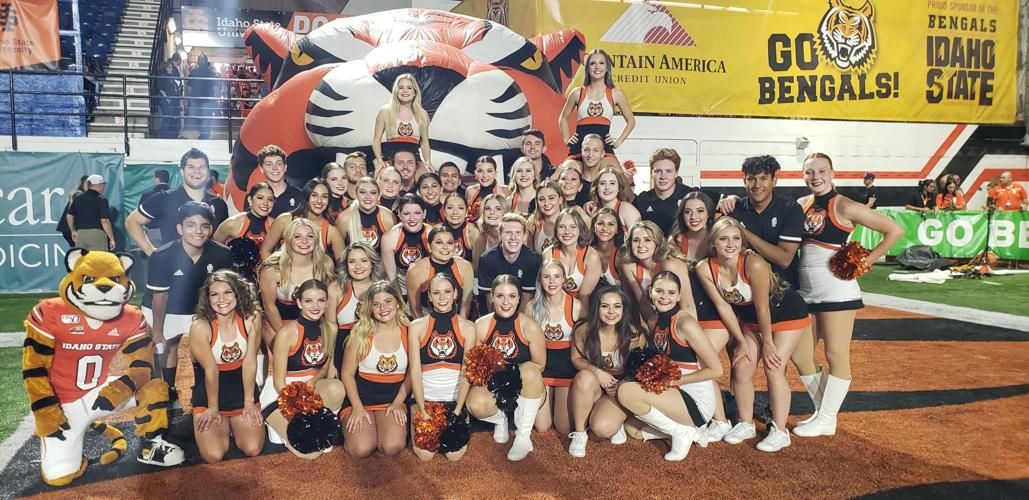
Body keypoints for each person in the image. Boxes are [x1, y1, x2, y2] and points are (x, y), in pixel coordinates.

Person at [792, 153, 904, 439]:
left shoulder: (844, 204)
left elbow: (894, 229)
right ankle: (823, 413)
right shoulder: (801, 205)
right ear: (802, 175)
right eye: (809, 172)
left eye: (821, 171)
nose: (815, 177)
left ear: (832, 173)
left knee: (835, 353)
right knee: (801, 354)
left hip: (836, 289)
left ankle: (827, 418)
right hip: (806, 291)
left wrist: (869, 260)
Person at [695, 218, 811, 452]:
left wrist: (767, 343)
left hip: (785, 313)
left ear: (743, 241)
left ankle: (780, 431)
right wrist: (741, 341)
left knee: (773, 366)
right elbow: (723, 306)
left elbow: (763, 307)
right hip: (752, 321)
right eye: (723, 239)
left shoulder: (754, 263)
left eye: (736, 238)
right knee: (742, 365)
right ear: (713, 242)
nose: (730, 244)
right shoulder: (705, 267)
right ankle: (746, 424)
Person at [617, 271, 723, 461]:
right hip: (674, 392)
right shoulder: (655, 321)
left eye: (671, 293)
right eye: (659, 291)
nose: (665, 297)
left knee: (626, 393)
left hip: (694, 399)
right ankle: (688, 431)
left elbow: (716, 369)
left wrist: (678, 380)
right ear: (651, 293)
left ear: (679, 296)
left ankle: (682, 432)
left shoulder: (685, 323)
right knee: (632, 429)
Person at [144, 202, 233, 405]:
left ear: (211, 229)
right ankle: (168, 388)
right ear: (179, 228)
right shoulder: (162, 255)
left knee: (203, 345)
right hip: (166, 309)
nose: (198, 231)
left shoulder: (223, 254)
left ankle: (200, 387)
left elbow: (223, 292)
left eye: (204, 226)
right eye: (191, 225)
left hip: (199, 308)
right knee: (167, 345)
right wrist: (158, 331)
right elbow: (160, 298)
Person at [667, 190, 733, 440]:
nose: (693, 216)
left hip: (717, 314)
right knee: (689, 363)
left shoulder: (719, 237)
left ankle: (720, 420)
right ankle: (703, 418)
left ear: (709, 213)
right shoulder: (675, 241)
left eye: (699, 211)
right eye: (688, 211)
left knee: (701, 364)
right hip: (688, 314)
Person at [260, 279, 346, 458]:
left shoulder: (331, 329)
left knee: (336, 388)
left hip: (312, 388)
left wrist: (313, 386)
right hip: (282, 394)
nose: (315, 306)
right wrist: (299, 408)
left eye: (321, 300)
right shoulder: (286, 333)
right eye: (308, 301)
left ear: (327, 302)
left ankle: (324, 424)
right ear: (299, 302)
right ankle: (276, 424)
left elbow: (327, 368)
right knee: (311, 453)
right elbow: (278, 382)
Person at [466, 275, 548, 461]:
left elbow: (540, 365)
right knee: (475, 403)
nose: (506, 302)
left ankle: (523, 437)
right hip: (495, 386)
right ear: (492, 297)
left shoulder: (530, 326)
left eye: (512, 296)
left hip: (525, 386)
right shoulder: (481, 326)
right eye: (500, 296)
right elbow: (475, 364)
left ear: (519, 298)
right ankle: (500, 418)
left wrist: (512, 378)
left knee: (530, 370)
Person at [189, 270, 264, 464]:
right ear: (208, 299)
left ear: (237, 293)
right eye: (214, 294)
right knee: (214, 455)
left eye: (228, 292)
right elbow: (211, 371)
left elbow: (249, 361)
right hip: (210, 393)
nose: (221, 299)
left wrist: (249, 402)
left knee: (253, 448)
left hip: (242, 390)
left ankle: (235, 425)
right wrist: (213, 409)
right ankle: (221, 425)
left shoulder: (251, 318)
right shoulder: (200, 326)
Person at [567, 285, 647, 457]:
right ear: (597, 308)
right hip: (594, 384)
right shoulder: (584, 329)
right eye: (605, 306)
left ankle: (615, 419)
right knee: (583, 377)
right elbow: (576, 359)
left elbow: (640, 370)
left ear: (624, 309)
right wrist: (597, 372)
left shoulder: (635, 335)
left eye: (617, 306)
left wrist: (622, 386)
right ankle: (580, 434)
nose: (611, 312)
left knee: (601, 429)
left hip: (619, 389)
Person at [407, 274, 477, 461]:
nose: (442, 297)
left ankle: (463, 415)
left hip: (454, 402)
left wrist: (457, 410)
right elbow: (414, 370)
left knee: (454, 455)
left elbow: (466, 371)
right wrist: (422, 410)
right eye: (436, 293)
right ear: (429, 296)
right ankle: (414, 411)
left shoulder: (468, 328)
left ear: (455, 294)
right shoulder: (416, 327)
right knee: (425, 455)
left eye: (447, 292)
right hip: (426, 400)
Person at [339, 281, 411, 458]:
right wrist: (357, 407)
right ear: (369, 308)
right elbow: (347, 374)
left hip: (392, 399)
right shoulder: (359, 334)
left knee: (392, 447)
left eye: (388, 301)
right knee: (362, 449)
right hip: (361, 400)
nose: (383, 308)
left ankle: (381, 425)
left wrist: (398, 402)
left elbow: (412, 373)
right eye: (376, 304)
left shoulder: (410, 331)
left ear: (398, 303)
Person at [716, 155, 805, 287]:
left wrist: (742, 231)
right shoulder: (733, 209)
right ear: (744, 181)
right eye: (751, 179)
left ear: (774, 181)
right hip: (744, 290)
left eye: (764, 178)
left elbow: (784, 259)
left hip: (784, 287)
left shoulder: (790, 209)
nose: (757, 185)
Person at [127, 148, 228, 255]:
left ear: (208, 172)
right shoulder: (165, 198)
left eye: (202, 167)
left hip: (209, 268)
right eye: (191, 167)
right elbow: (132, 221)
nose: (197, 171)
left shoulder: (219, 204)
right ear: (182, 172)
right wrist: (152, 254)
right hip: (172, 268)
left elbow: (223, 238)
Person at [258, 219, 340, 349]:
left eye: (310, 236)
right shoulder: (272, 268)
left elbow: (327, 303)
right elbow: (269, 306)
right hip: (277, 324)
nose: (304, 241)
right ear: (288, 240)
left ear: (316, 240)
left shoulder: (325, 264)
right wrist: (285, 336)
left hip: (314, 323)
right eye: (298, 237)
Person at [527, 259, 582, 436]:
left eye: (557, 276)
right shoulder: (531, 307)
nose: (552, 282)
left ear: (564, 279)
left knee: (564, 428)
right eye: (547, 277)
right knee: (542, 426)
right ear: (540, 280)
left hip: (566, 368)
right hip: (542, 367)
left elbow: (583, 344)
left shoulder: (576, 306)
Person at [558, 48, 635, 157]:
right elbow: (563, 118)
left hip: (604, 147)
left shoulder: (616, 94)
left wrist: (617, 142)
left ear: (607, 67)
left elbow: (631, 121)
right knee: (567, 172)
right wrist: (567, 139)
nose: (597, 66)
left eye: (601, 63)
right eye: (593, 63)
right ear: (587, 68)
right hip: (579, 148)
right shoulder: (577, 93)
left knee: (615, 172)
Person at [619, 221, 697, 323]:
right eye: (636, 240)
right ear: (629, 244)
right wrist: (655, 332)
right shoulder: (629, 266)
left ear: (657, 243)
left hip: (697, 311)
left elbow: (688, 305)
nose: (641, 245)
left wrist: (691, 335)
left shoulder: (670, 265)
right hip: (668, 316)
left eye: (647, 240)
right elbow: (644, 305)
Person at [260, 179, 345, 262]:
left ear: (328, 201)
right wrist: (273, 273)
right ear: (307, 197)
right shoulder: (284, 221)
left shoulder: (331, 231)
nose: (319, 201)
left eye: (324, 197)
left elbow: (342, 265)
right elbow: (265, 251)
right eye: (314, 195)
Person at [333, 242, 385, 373]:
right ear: (346, 265)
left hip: (375, 352)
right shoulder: (336, 289)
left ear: (372, 263)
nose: (358, 267)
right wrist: (331, 365)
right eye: (352, 262)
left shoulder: (384, 289)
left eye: (364, 261)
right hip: (342, 351)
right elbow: (330, 329)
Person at [407, 226, 475, 317]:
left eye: (449, 243)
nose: (445, 247)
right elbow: (415, 310)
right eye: (439, 243)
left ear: (455, 247)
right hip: (425, 317)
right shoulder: (416, 271)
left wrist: (460, 328)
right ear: (429, 247)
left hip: (457, 316)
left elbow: (465, 305)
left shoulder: (465, 266)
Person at [633, 148, 703, 235]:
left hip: (682, 248)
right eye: (658, 171)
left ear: (676, 173)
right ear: (651, 173)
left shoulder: (691, 195)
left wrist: (725, 201)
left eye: (668, 171)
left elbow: (721, 201)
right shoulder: (642, 199)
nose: (663, 176)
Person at [477, 214, 542, 308]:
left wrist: (516, 323)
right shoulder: (487, 259)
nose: (513, 237)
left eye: (518, 233)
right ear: (500, 235)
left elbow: (527, 301)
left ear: (524, 236)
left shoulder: (533, 260)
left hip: (522, 314)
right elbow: (490, 302)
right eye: (508, 232)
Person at [372, 74, 432, 171]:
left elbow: (425, 142)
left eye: (409, 88)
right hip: (390, 158)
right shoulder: (385, 111)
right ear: (396, 91)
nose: (405, 91)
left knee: (426, 177)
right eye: (401, 88)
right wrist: (379, 160)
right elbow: (376, 140)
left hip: (414, 160)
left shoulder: (422, 114)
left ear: (414, 92)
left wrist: (428, 161)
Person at [545, 209, 602, 307]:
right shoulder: (548, 254)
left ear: (580, 230)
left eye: (572, 227)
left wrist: (581, 321)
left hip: (581, 306)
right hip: (554, 304)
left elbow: (584, 297)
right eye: (562, 227)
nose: (567, 232)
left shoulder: (591, 256)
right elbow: (547, 292)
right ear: (556, 230)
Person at [382, 194, 431, 296]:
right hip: (402, 286)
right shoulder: (389, 238)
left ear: (424, 213)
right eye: (406, 213)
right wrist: (401, 302)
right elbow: (392, 277)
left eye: (417, 213)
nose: (412, 218)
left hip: (429, 284)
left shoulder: (432, 234)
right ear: (399, 214)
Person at [336, 177, 397, 252]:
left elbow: (393, 251)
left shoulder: (388, 217)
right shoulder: (344, 219)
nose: (368, 197)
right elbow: (340, 256)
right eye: (362, 192)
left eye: (373, 193)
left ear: (379, 196)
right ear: (356, 195)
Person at [214, 182, 274, 247]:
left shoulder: (276, 225)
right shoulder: (232, 223)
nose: (265, 203)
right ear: (250, 200)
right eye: (260, 198)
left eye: (270, 199)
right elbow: (211, 250)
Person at [66, 174, 116, 251]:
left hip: (80, 234)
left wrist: (73, 231)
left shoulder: (78, 198)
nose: (103, 187)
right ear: (99, 185)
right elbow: (104, 221)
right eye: (103, 184)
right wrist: (111, 238)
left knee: (83, 261)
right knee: (97, 260)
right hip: (96, 235)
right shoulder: (101, 199)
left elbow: (69, 215)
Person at [253, 145, 304, 218]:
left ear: (285, 167)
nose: (275, 168)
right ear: (261, 169)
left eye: (279, 163)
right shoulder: (254, 196)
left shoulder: (300, 196)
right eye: (269, 164)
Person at [527, 180, 565, 253]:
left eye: (551, 198)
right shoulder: (533, 222)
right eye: (541, 199)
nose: (546, 203)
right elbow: (529, 255)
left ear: (560, 200)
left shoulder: (571, 221)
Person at [466, 156, 508, 222]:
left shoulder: (506, 191)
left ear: (495, 173)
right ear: (475, 173)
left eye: (489, 171)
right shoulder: (470, 191)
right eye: (480, 171)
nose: (484, 175)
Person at [187, 55, 218, 140]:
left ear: (198, 61)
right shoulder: (212, 73)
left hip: (195, 99)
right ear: (206, 61)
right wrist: (216, 100)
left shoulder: (193, 72)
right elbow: (216, 89)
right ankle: (204, 138)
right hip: (207, 100)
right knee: (205, 121)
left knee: (194, 120)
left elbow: (189, 88)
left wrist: (188, 99)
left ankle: (196, 138)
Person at [442, 192, 479, 263]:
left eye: (460, 208)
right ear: (444, 212)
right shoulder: (436, 230)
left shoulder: (473, 233)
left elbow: (477, 267)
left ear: (466, 212)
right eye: (450, 207)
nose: (455, 212)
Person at [590, 208, 623, 287]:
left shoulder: (621, 255)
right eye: (600, 223)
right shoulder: (587, 252)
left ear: (617, 230)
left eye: (611, 224)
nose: (605, 228)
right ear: (593, 227)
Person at [473, 193, 507, 268]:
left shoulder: (512, 237)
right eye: (488, 208)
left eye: (498, 209)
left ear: (504, 212)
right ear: (483, 212)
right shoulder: (480, 238)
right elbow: (478, 268)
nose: (492, 212)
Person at [57, 175, 89, 246]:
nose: (89, 186)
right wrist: (73, 230)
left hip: (68, 228)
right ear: (82, 184)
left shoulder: (76, 194)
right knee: (78, 249)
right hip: (70, 228)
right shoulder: (79, 195)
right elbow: (72, 215)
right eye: (87, 184)